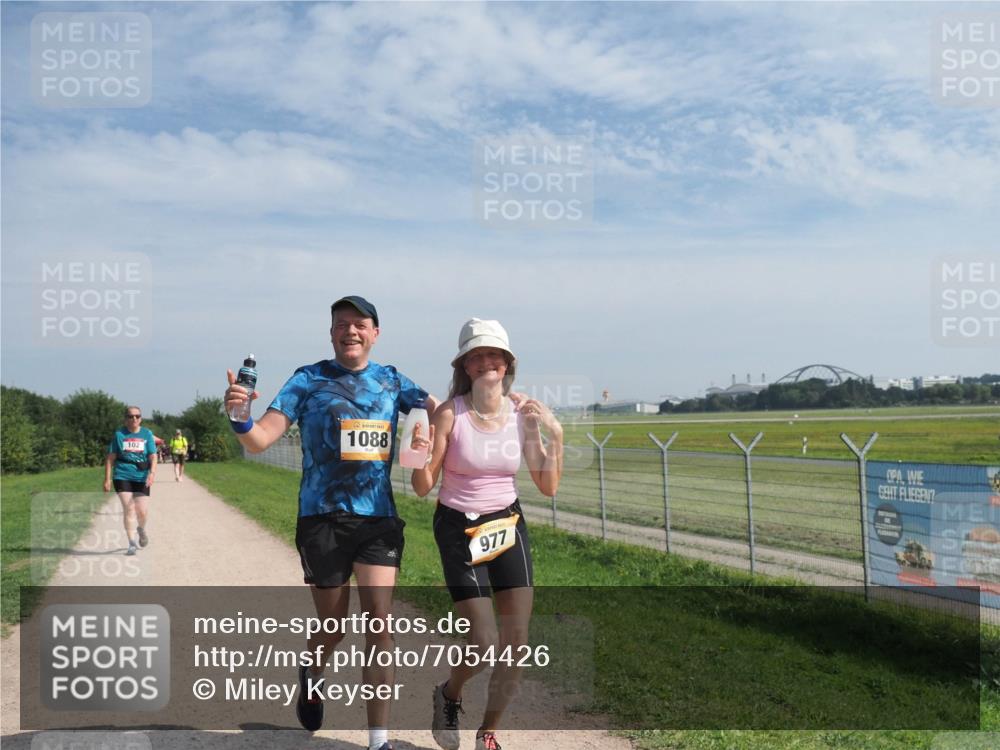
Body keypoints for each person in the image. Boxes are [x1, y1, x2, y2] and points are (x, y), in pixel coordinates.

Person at [224, 295, 437, 750]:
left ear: (375, 333)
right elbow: (261, 439)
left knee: (380, 622)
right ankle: (313, 672)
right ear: (331, 334)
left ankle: (378, 740)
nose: (351, 331)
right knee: (334, 626)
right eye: (341, 324)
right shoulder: (308, 379)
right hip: (322, 519)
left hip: (377, 518)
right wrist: (240, 416)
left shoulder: (393, 380)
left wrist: (450, 424)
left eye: (360, 324)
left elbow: (440, 409)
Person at [410, 318, 563, 750]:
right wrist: (418, 453)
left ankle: (489, 732)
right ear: (464, 365)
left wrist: (558, 435)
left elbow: (547, 485)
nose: (485, 362)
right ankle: (449, 693)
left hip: (507, 523)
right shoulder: (450, 413)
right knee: (483, 640)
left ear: (507, 362)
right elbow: (423, 487)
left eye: (492, 354)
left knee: (516, 642)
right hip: (459, 524)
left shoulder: (523, 412)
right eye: (475, 355)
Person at [103, 406, 158, 556]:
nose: (134, 419)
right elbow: (110, 458)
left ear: (140, 418)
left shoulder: (147, 434)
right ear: (125, 419)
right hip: (122, 475)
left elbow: (153, 456)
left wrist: (152, 473)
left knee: (142, 511)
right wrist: (107, 479)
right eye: (130, 416)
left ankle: (141, 529)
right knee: (129, 508)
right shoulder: (119, 435)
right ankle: (131, 543)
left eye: (137, 416)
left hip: (141, 476)